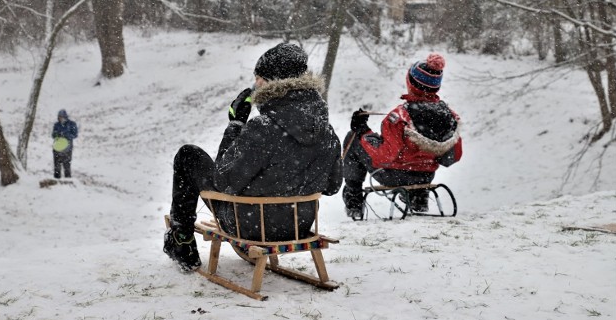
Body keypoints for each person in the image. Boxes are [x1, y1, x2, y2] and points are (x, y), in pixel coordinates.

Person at [164, 42, 343, 272]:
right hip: (298, 224)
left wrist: (236, 125)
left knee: (188, 155)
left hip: (250, 224)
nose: (255, 84)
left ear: (275, 81)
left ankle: (181, 242)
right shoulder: (326, 131)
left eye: (260, 78)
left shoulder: (263, 128)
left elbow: (224, 182)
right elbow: (332, 186)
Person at [341, 52, 463, 219]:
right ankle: (419, 199)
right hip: (425, 177)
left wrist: (362, 131)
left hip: (394, 176)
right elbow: (452, 157)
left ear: (411, 83)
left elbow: (385, 157)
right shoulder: (449, 116)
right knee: (411, 159)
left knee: (352, 137)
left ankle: (353, 201)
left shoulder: (399, 117)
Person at [52, 109, 78, 179]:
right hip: (57, 148)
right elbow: (53, 135)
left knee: (67, 166)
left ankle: (68, 181)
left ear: (65, 116)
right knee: (57, 166)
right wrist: (57, 134)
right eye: (59, 117)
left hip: (67, 148)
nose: (60, 118)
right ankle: (56, 180)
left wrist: (66, 135)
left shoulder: (72, 124)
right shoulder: (56, 125)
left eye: (61, 117)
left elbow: (75, 135)